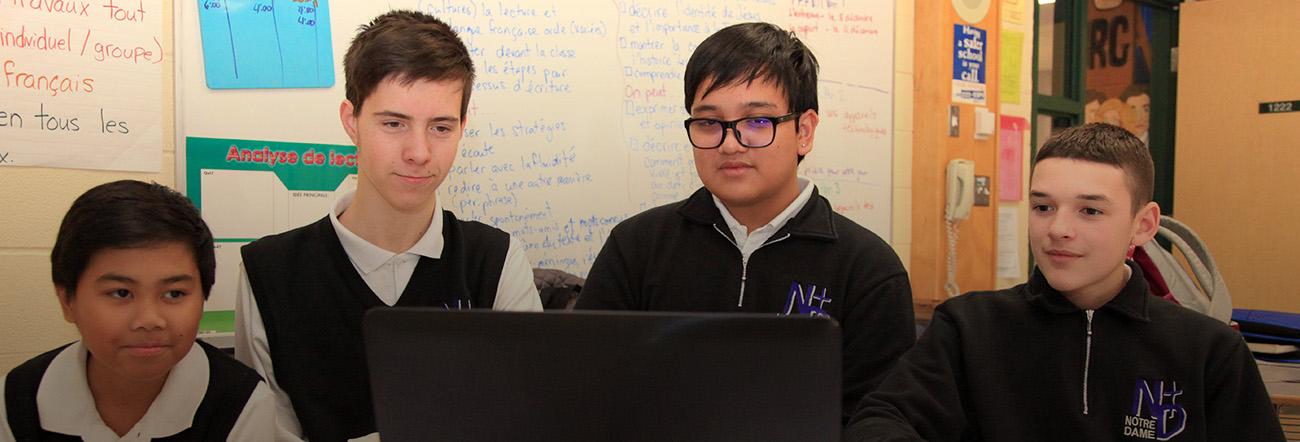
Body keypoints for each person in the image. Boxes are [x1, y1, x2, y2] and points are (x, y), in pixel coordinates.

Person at [844, 123, 1284, 441]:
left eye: (1090, 211)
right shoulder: (969, 326)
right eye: (1043, 207)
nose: (1058, 229)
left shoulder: (1208, 351)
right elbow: (879, 420)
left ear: (1143, 225)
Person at [575, 22, 915, 423]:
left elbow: (876, 423)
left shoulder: (869, 271)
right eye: (708, 123)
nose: (730, 143)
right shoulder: (636, 247)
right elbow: (585, 392)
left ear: (803, 131)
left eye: (757, 122)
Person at [233, 10, 542, 442]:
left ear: (462, 128)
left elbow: (525, 418)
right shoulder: (269, 272)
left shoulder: (496, 261)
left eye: (440, 127)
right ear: (351, 121)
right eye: (394, 123)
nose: (418, 152)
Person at [1, 180, 274, 441]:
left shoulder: (242, 401)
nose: (149, 320)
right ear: (67, 301)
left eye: (174, 293)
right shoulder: (15, 400)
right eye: (121, 293)